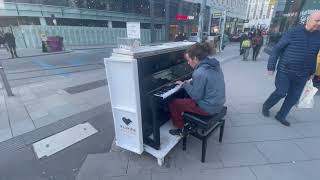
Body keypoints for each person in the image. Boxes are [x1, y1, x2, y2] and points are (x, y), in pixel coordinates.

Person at [262, 11, 320, 126]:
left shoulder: (319, 36)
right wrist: (271, 66)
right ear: (309, 19)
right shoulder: (292, 32)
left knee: (294, 97)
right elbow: (277, 49)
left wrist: (312, 72)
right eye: (317, 20)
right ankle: (266, 105)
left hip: (303, 73)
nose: (319, 24)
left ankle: (281, 115)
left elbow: (314, 54)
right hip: (285, 70)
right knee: (281, 92)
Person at [168, 42, 226, 135]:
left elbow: (196, 96)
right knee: (186, 96)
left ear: (195, 58)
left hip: (209, 108)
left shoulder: (199, 72)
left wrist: (184, 84)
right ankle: (189, 121)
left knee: (173, 103)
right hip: (219, 102)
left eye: (188, 60)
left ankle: (181, 129)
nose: (187, 62)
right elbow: (206, 83)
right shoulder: (214, 65)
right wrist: (190, 82)